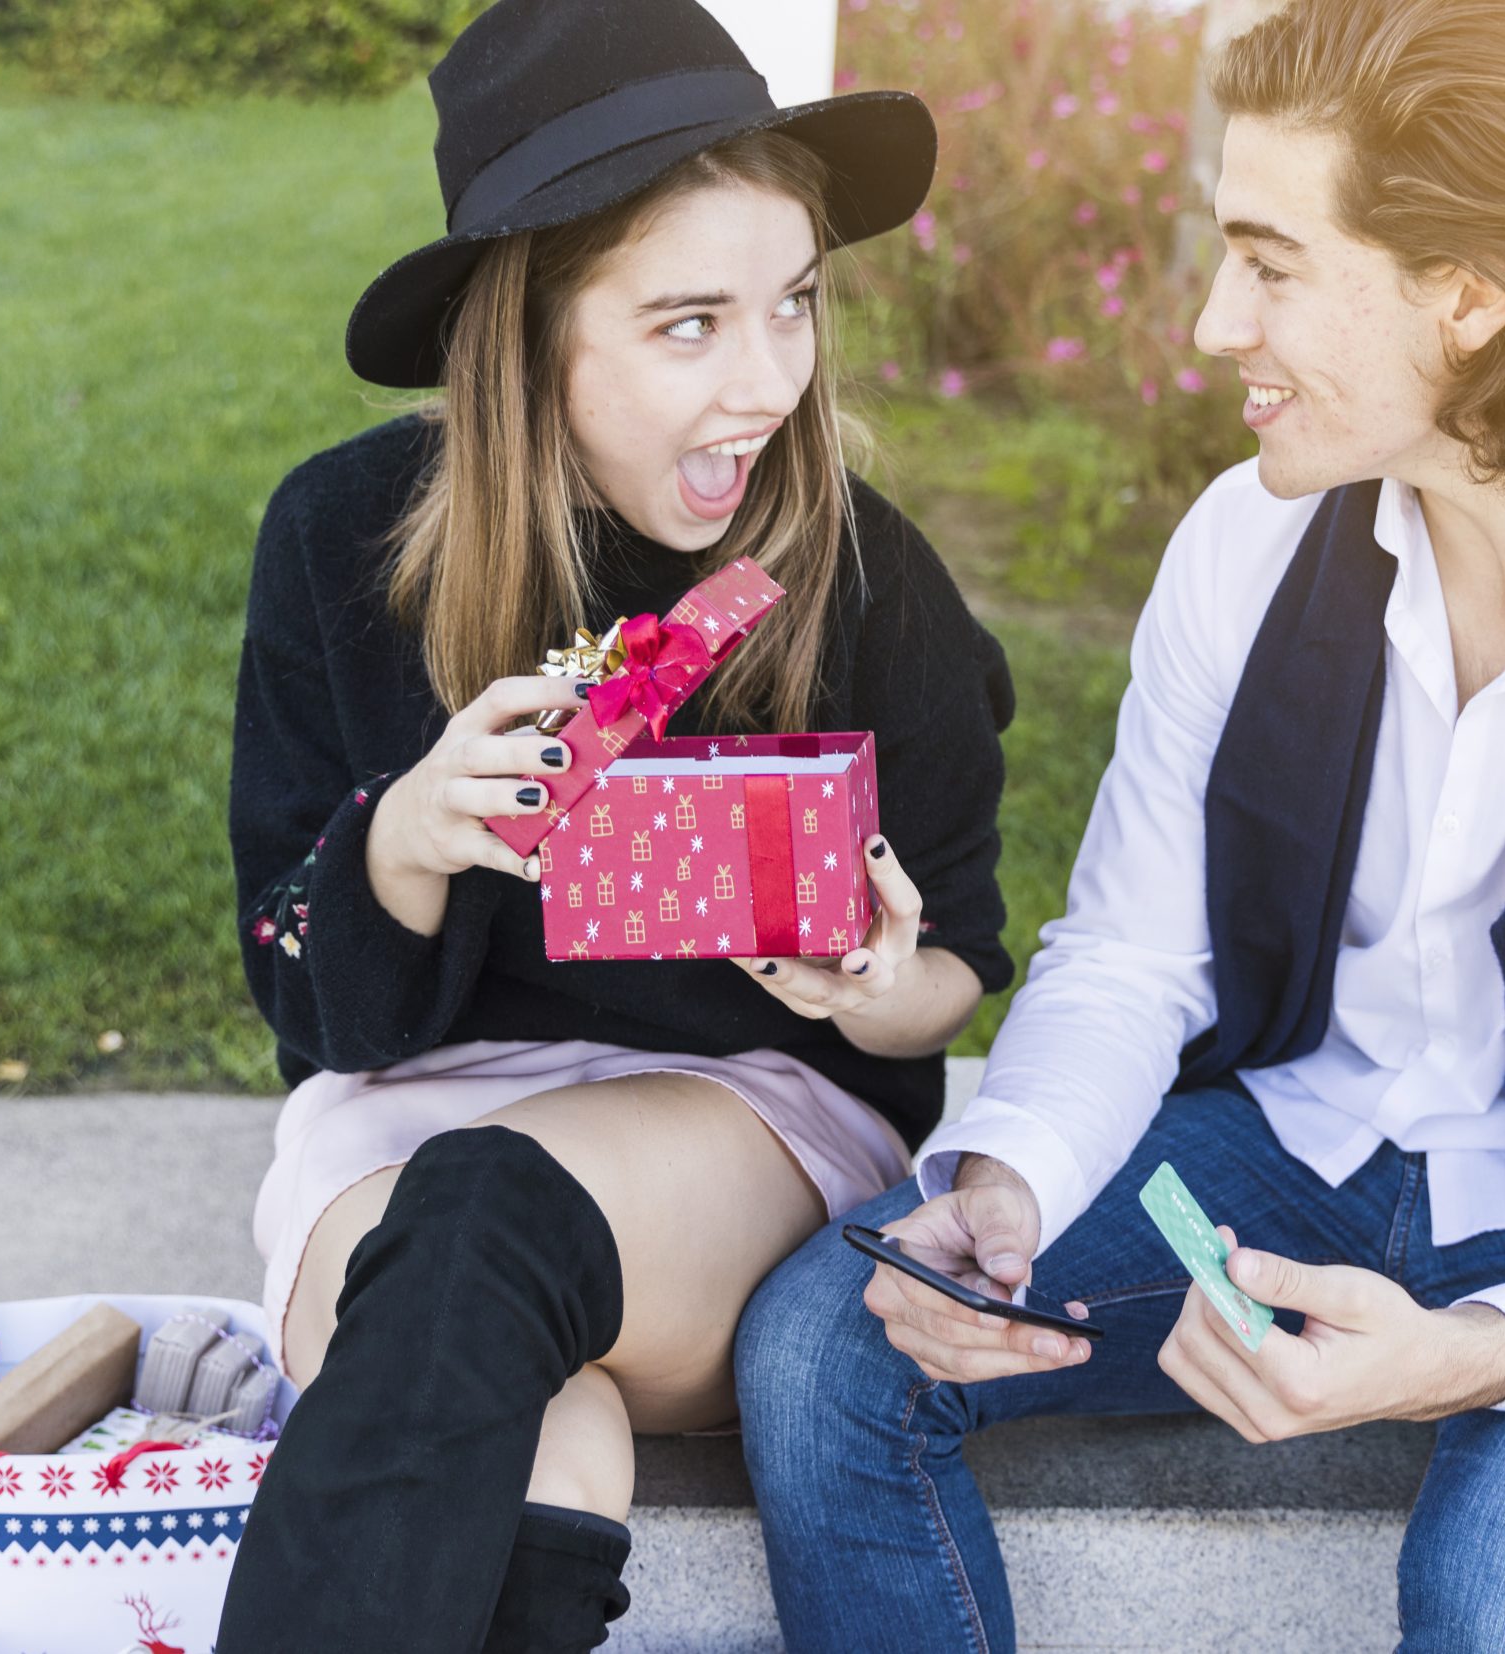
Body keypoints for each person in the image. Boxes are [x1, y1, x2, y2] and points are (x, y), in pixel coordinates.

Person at [731, 0, 1505, 1648]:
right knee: (835, 1342)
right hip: (1295, 1148)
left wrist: (1462, 1352)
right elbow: (1131, 949)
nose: (1206, 323)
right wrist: (1018, 1176)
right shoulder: (1245, 548)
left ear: (1470, 288)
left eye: (1268, 262)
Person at [215, 2, 1013, 1647]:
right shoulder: (340, 542)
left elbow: (957, 980)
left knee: (484, 1212)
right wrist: (405, 843)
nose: (768, 382)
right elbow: (314, 1011)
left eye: (791, 304)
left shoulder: (863, 578)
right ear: (530, 336)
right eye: (689, 324)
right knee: (527, 1421)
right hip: (401, 1122)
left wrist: (873, 976)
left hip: (744, 1122)